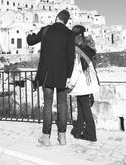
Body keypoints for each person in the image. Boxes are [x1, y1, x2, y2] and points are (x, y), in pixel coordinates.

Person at [26, 10, 75, 146]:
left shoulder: (46, 29)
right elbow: (71, 57)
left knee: (47, 104)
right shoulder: (70, 34)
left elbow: (31, 41)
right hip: (63, 74)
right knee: (62, 103)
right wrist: (69, 75)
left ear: (56, 18)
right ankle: (62, 136)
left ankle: (46, 137)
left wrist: (30, 34)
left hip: (47, 74)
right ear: (66, 21)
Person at [66, 25, 100, 142]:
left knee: (85, 108)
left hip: (82, 83)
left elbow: (77, 68)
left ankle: (91, 134)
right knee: (81, 107)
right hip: (89, 81)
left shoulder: (78, 49)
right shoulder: (88, 47)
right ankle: (78, 131)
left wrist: (71, 84)